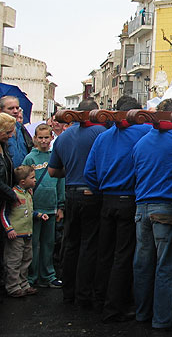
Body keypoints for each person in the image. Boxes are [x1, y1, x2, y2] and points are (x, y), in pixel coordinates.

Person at [85, 95, 152, 322]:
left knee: (105, 253)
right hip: (129, 198)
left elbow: (89, 174)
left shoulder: (102, 138)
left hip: (107, 200)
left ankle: (99, 299)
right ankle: (115, 307)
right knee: (123, 255)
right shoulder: (144, 133)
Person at [132, 98, 172, 331]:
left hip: (142, 208)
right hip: (167, 208)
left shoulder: (141, 142)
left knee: (142, 264)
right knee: (167, 265)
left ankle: (142, 313)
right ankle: (162, 318)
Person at [48, 99, 106, 309]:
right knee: (89, 245)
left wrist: (71, 170)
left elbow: (53, 171)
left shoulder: (63, 137)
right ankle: (84, 295)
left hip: (71, 192)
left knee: (71, 244)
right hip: (93, 193)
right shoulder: (100, 132)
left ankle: (68, 292)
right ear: (95, 113)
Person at [23, 124, 64, 289]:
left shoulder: (55, 156)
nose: (44, 141)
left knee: (48, 243)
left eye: (46, 137)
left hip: (51, 207)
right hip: (34, 209)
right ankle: (31, 276)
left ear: (51, 138)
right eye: (40, 138)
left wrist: (61, 205)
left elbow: (60, 182)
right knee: (33, 244)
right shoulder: (30, 158)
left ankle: (47, 275)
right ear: (35, 139)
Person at [1, 165, 49, 297]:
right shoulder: (12, 195)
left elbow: (27, 211)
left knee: (26, 259)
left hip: (27, 233)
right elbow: (3, 213)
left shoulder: (28, 194)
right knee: (13, 261)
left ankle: (24, 284)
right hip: (16, 235)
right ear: (23, 181)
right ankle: (12, 286)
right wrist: (8, 228)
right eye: (32, 178)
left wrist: (38, 215)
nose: (35, 180)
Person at [0, 96, 33, 168]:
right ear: (1, 110)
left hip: (23, 174)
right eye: (10, 108)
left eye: (17, 108)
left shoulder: (21, 128)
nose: (15, 111)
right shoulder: (1, 130)